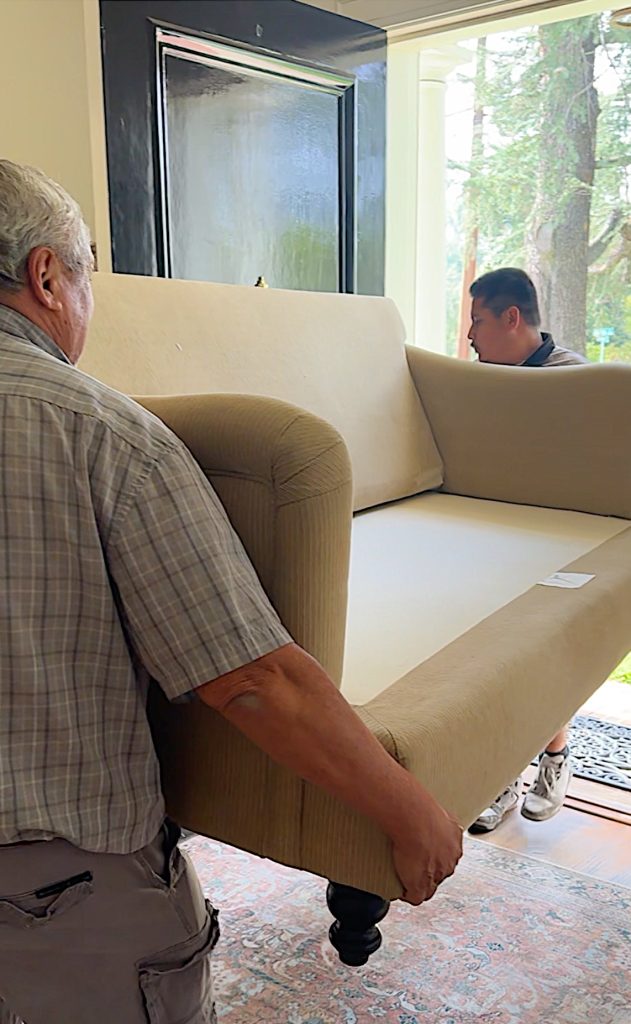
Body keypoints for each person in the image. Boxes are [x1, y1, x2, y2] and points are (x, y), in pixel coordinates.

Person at [0, 160, 462, 1024]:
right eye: (89, 275)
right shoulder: (100, 433)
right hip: (51, 888)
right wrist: (411, 813)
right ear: (47, 276)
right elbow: (250, 680)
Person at [467, 267, 588, 834]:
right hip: (495, 541)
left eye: (479, 321)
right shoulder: (480, 381)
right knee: (496, 664)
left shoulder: (576, 381)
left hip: (562, 544)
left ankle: (555, 758)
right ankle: (500, 777)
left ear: (511, 319)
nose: (470, 334)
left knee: (550, 662)